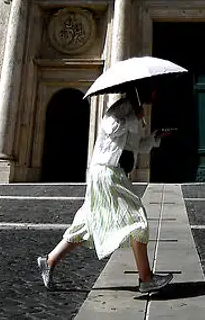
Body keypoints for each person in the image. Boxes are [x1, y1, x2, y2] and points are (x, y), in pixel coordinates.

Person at [38, 84, 174, 294]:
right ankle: (146, 278)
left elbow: (135, 146)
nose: (156, 92)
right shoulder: (121, 106)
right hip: (107, 172)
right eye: (154, 89)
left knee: (86, 222)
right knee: (137, 220)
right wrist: (132, 117)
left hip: (110, 172)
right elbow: (109, 126)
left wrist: (155, 137)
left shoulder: (135, 112)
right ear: (145, 91)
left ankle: (49, 261)